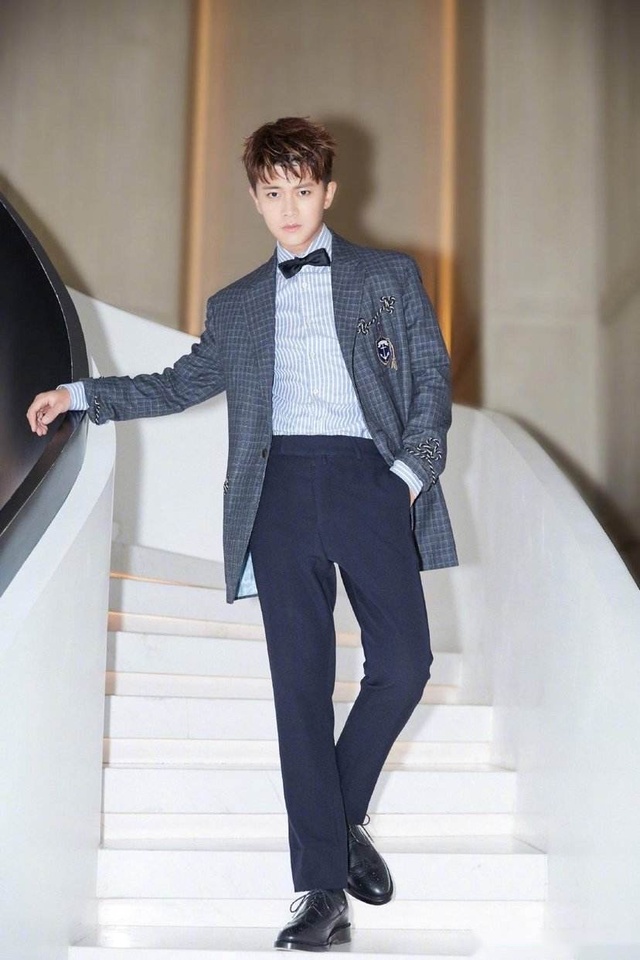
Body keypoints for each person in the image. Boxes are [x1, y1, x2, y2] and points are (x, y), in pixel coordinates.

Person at [27, 116, 458, 952]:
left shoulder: (387, 276)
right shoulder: (239, 305)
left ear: (328, 192)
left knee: (405, 665)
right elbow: (178, 384)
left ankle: (338, 817)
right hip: (279, 494)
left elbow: (430, 383)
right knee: (300, 689)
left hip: (372, 483)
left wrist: (406, 479)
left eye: (303, 189)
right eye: (272, 192)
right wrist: (80, 396)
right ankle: (321, 893)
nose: (289, 207)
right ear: (255, 200)